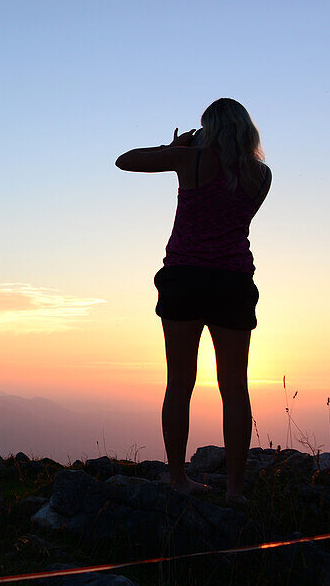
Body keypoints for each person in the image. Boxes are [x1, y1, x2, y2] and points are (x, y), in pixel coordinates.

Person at [115, 98, 271, 504]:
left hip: (184, 278)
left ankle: (179, 479)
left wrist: (178, 148)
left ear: (209, 129)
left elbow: (125, 160)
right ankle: (235, 490)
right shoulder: (262, 175)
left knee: (180, 384)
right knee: (235, 387)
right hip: (233, 282)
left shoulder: (192, 161)